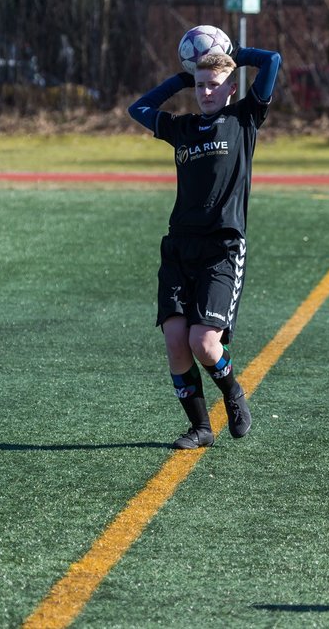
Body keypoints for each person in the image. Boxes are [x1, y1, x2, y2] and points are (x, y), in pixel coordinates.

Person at [128, 32, 282, 449]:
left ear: (233, 88)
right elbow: (137, 109)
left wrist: (231, 55)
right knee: (176, 341)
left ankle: (232, 391)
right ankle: (200, 428)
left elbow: (272, 60)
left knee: (204, 342)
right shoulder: (182, 128)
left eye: (214, 85)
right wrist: (182, 77)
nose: (207, 91)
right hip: (179, 247)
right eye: (201, 85)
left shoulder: (245, 119)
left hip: (222, 249)